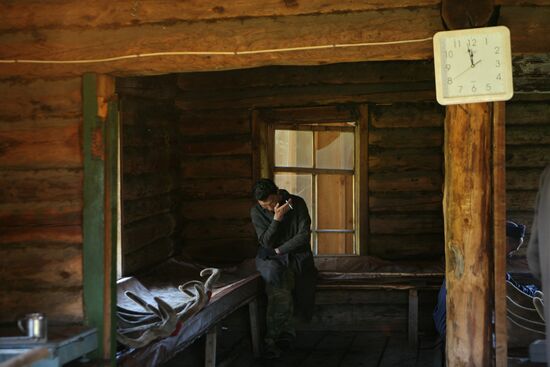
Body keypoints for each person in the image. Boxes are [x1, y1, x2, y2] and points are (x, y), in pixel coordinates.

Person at [432, 220, 539, 366]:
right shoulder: (482, 263)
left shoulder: (479, 254)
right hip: (453, 328)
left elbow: (511, 285)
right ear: (501, 241)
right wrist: (535, 292)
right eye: (512, 250)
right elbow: (512, 289)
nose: (511, 255)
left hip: (449, 323)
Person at [250, 178, 317, 359]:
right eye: (265, 206)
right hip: (270, 259)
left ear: (278, 194)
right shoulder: (256, 211)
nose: (270, 208)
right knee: (276, 283)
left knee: (295, 277)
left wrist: (279, 250)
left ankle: (279, 336)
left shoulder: (298, 204)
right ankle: (279, 336)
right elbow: (265, 242)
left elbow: (303, 236)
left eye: (272, 203)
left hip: (295, 255)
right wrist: (277, 219)